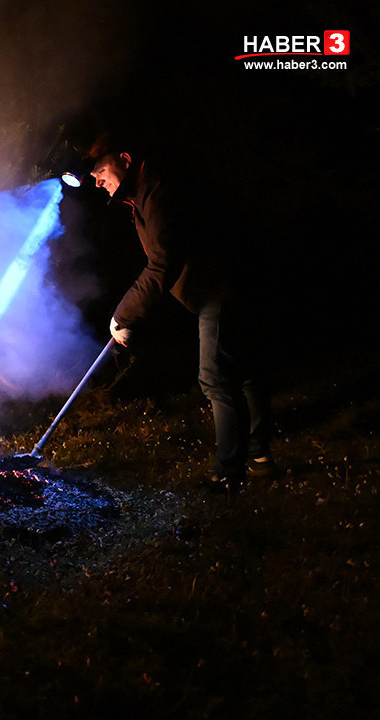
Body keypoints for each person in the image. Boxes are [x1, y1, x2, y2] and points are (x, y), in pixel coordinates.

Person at [89, 140, 273, 492]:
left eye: (100, 171)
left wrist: (124, 315)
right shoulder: (142, 193)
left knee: (215, 378)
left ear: (124, 160)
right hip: (214, 285)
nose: (97, 182)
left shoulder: (156, 191)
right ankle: (259, 457)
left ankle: (228, 476)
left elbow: (162, 263)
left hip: (217, 287)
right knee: (243, 371)